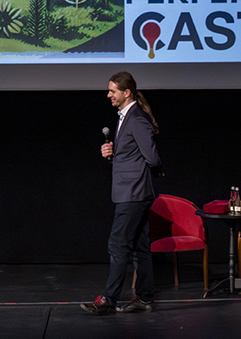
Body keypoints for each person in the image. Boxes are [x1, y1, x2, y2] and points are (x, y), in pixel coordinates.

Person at [81, 71, 161, 315]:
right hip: (133, 192)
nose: (108, 95)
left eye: (112, 91)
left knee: (118, 245)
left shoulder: (136, 119)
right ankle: (145, 298)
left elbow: (153, 159)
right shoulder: (127, 117)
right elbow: (134, 153)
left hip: (133, 193)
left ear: (126, 93)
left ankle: (109, 299)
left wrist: (133, 171)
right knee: (140, 247)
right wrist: (114, 154)